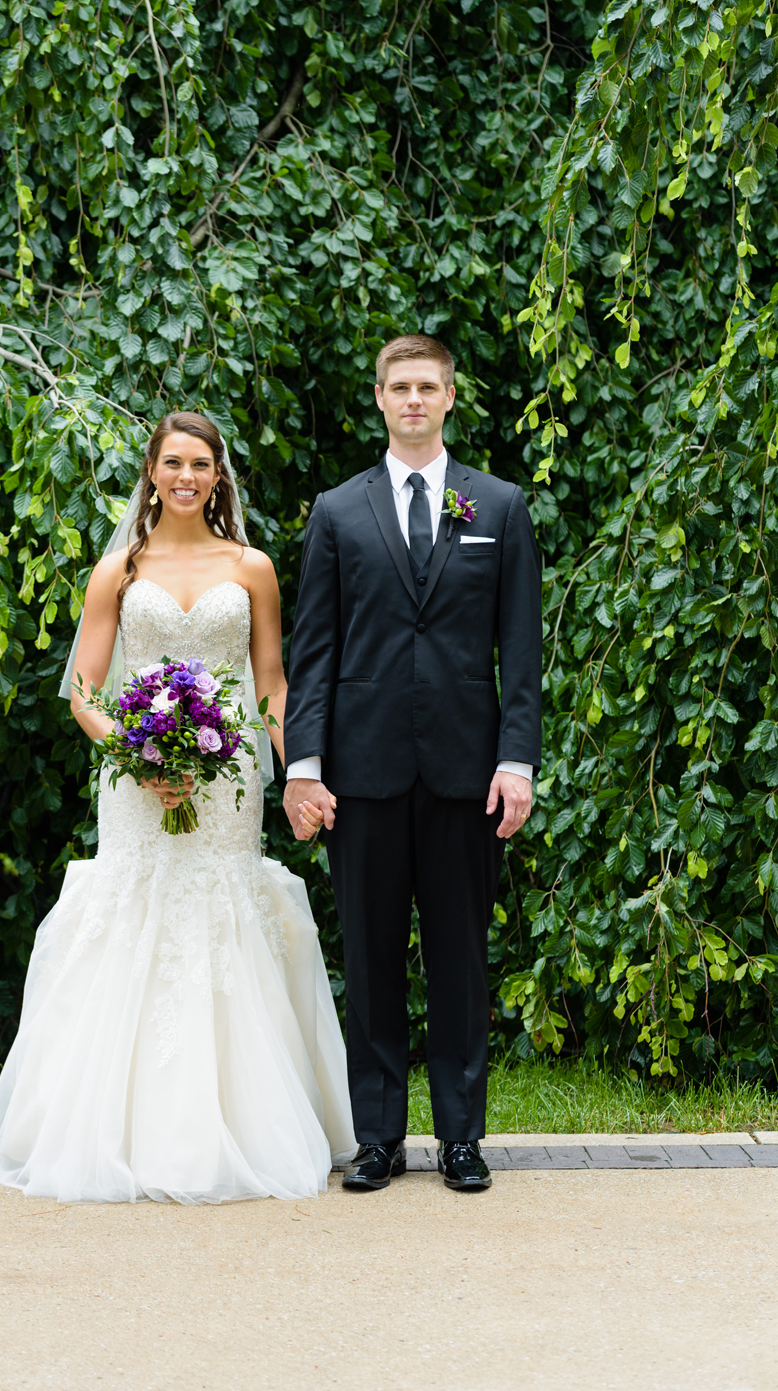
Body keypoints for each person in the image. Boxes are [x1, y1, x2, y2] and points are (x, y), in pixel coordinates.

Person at [0, 411, 356, 1204]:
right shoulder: (117, 570)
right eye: (173, 463)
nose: (186, 476)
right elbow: (84, 687)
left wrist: (296, 766)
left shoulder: (252, 566)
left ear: (219, 475)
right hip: (136, 781)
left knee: (220, 913)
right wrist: (135, 751)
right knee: (138, 912)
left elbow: (270, 681)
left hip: (227, 782)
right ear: (152, 473)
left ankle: (240, 1119)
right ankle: (113, 1129)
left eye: (201, 463)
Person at [281, 333, 541, 1193]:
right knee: (372, 958)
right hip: (363, 772)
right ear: (381, 398)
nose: (415, 400)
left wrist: (518, 761)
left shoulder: (498, 507)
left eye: (429, 386)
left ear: (452, 396)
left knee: (462, 960)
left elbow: (521, 651)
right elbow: (313, 648)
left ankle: (462, 1138)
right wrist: (305, 765)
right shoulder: (338, 511)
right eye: (401, 387)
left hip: (468, 775)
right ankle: (379, 1138)